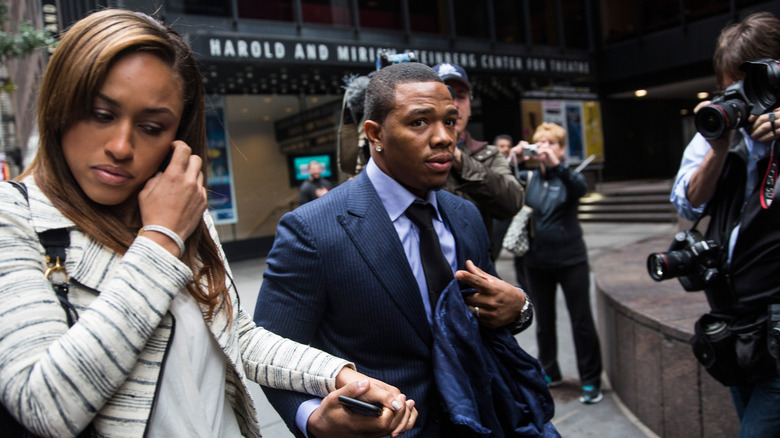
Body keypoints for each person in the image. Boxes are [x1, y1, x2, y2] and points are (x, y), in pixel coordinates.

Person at [0, 9, 417, 438]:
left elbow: (237, 336)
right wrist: (160, 239)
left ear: (177, 135)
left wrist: (339, 375)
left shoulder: (184, 208)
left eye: (150, 126)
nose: (121, 146)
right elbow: (44, 405)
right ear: (59, 105)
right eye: (101, 115)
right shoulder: (14, 217)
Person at [254, 63, 557, 437]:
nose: (444, 137)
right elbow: (271, 353)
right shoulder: (312, 229)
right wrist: (314, 420)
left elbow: (489, 316)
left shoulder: (466, 216)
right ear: (375, 134)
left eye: (450, 121)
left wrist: (519, 309)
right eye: (419, 122)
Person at [670, 11, 780, 437]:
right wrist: (719, 146)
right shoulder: (721, 133)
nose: (740, 97)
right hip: (737, 333)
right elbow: (689, 203)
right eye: (729, 86)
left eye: (749, 84)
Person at [511, 122, 604, 404]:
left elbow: (580, 189)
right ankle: (550, 371)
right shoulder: (529, 178)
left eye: (551, 143)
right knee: (544, 321)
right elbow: (504, 184)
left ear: (561, 148)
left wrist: (557, 165)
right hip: (537, 261)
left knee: (582, 321)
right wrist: (511, 157)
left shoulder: (568, 176)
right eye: (541, 143)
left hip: (571, 259)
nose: (545, 148)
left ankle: (591, 380)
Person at [432, 63, 523, 261]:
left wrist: (460, 161)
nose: (454, 104)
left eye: (461, 96)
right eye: (446, 93)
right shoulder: (411, 153)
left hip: (477, 273)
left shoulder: (488, 154)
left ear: (470, 107)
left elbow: (513, 202)